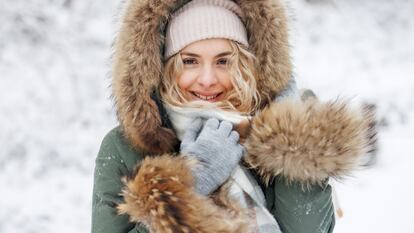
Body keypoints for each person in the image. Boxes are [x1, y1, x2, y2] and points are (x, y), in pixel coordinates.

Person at [91, 0, 375, 233]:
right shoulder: (124, 148)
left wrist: (292, 138)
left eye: (223, 61)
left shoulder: (262, 133)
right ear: (163, 66)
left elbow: (306, 227)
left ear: (246, 66)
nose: (207, 79)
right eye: (189, 61)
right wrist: (188, 186)